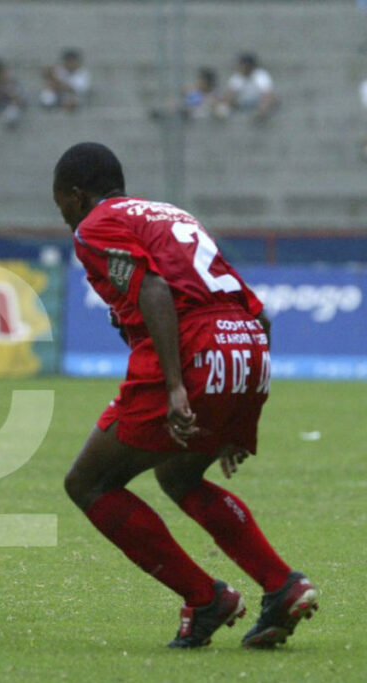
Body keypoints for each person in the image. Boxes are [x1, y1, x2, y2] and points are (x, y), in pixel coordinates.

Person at [54, 142, 318, 649]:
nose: (63, 216)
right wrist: (239, 413)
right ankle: (282, 585)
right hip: (246, 346)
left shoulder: (96, 225)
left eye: (60, 204)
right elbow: (257, 314)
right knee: (179, 473)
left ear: (75, 194)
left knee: (88, 482)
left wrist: (176, 386)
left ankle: (206, 598)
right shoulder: (170, 213)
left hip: (194, 348)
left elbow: (153, 290)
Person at [222, 53, 277, 120]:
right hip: (242, 103)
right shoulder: (237, 77)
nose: (243, 68)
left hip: (258, 102)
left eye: (245, 66)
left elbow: (267, 94)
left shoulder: (260, 75)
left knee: (267, 102)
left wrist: (262, 106)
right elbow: (230, 93)